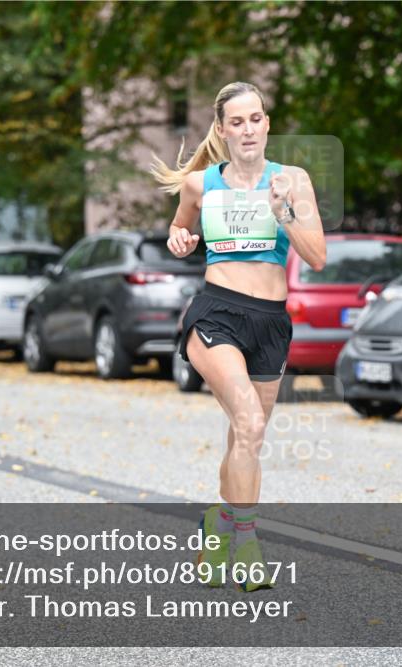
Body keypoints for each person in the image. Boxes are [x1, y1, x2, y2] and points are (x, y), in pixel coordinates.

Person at [149, 81, 326, 591]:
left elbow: (316, 256)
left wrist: (283, 212)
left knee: (246, 436)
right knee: (247, 420)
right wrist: (180, 240)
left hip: (270, 321)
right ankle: (247, 545)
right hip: (217, 314)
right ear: (222, 130)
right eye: (237, 122)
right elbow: (180, 230)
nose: (247, 129)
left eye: (255, 119)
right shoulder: (200, 185)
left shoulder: (292, 181)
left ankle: (220, 523)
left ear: (266, 124)